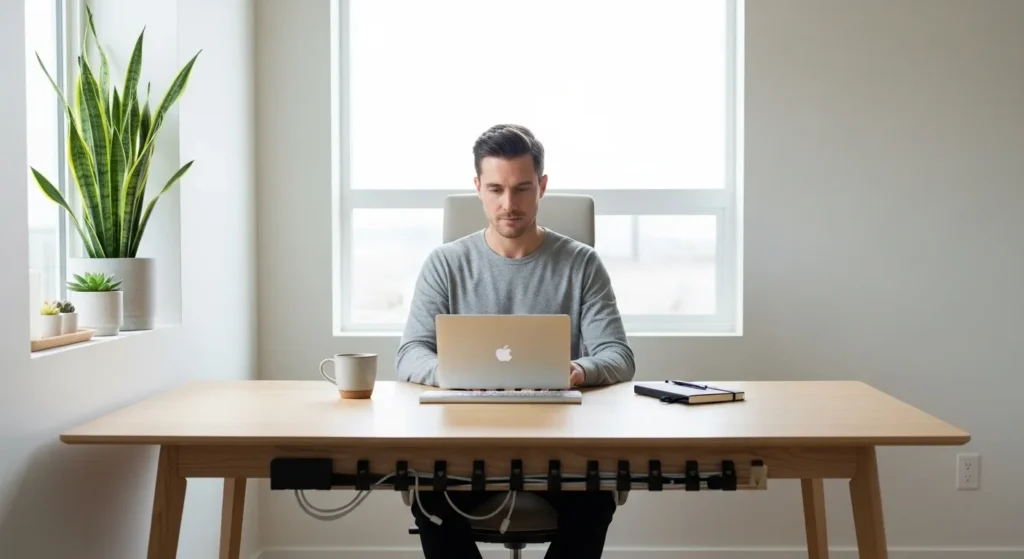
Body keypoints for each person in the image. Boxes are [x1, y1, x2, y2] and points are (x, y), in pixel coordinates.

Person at [395, 123, 636, 559]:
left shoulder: (582, 264)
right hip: (465, 445)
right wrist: (455, 373)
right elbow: (410, 353)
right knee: (430, 499)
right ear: (478, 188)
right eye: (496, 189)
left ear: (542, 186)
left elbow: (618, 355)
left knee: (595, 500)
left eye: (522, 189)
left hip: (558, 446)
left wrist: (578, 370)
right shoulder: (445, 264)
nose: (509, 204)